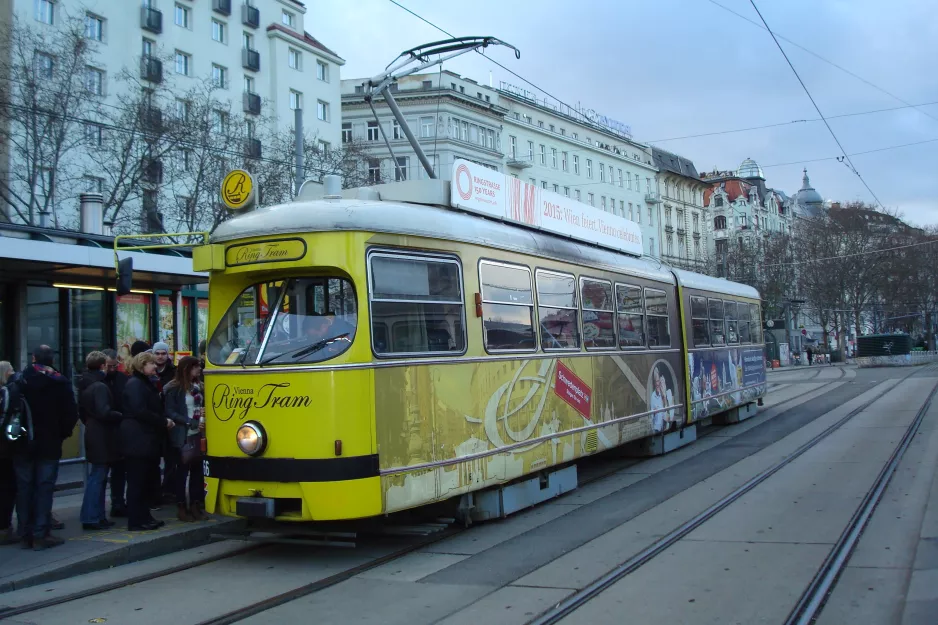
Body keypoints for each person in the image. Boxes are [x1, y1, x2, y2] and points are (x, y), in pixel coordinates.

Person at [14, 345, 78, 550]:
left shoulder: (20, 380)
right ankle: (41, 532)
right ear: (52, 359)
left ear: (33, 358)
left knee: (24, 488)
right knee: (44, 487)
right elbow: (70, 414)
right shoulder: (59, 382)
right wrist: (62, 434)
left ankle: (25, 533)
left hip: (22, 442)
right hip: (49, 443)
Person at [121, 352, 173, 531]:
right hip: (138, 440)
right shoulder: (135, 384)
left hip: (146, 439)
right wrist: (163, 421)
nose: (154, 366)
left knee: (145, 481)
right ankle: (136, 519)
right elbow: (140, 410)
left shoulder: (144, 383)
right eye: (150, 363)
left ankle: (144, 516)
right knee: (137, 481)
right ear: (142, 365)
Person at [77, 351, 122, 530]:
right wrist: (119, 415)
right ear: (103, 366)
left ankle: (96, 515)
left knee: (97, 476)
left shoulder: (85, 383)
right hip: (102, 436)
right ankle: (92, 516)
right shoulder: (100, 386)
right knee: (98, 477)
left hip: (93, 432)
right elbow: (104, 411)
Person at [164, 357, 207, 522]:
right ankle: (181, 506)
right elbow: (170, 411)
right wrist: (189, 421)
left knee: (197, 473)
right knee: (181, 473)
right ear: (186, 369)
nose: (199, 370)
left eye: (199, 367)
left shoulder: (199, 387)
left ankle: (196, 505)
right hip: (182, 435)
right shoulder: (174, 389)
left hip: (198, 433)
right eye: (195, 367)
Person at [102, 349, 128, 517]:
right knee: (102, 472)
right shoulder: (98, 381)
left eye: (114, 366)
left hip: (120, 429)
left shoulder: (122, 379)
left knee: (119, 470)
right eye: (109, 366)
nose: (112, 369)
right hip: (105, 430)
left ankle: (118, 502)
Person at [0, 361, 18, 545]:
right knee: (7, 488)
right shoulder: (6, 393)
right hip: (4, 449)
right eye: (11, 370)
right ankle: (4, 528)